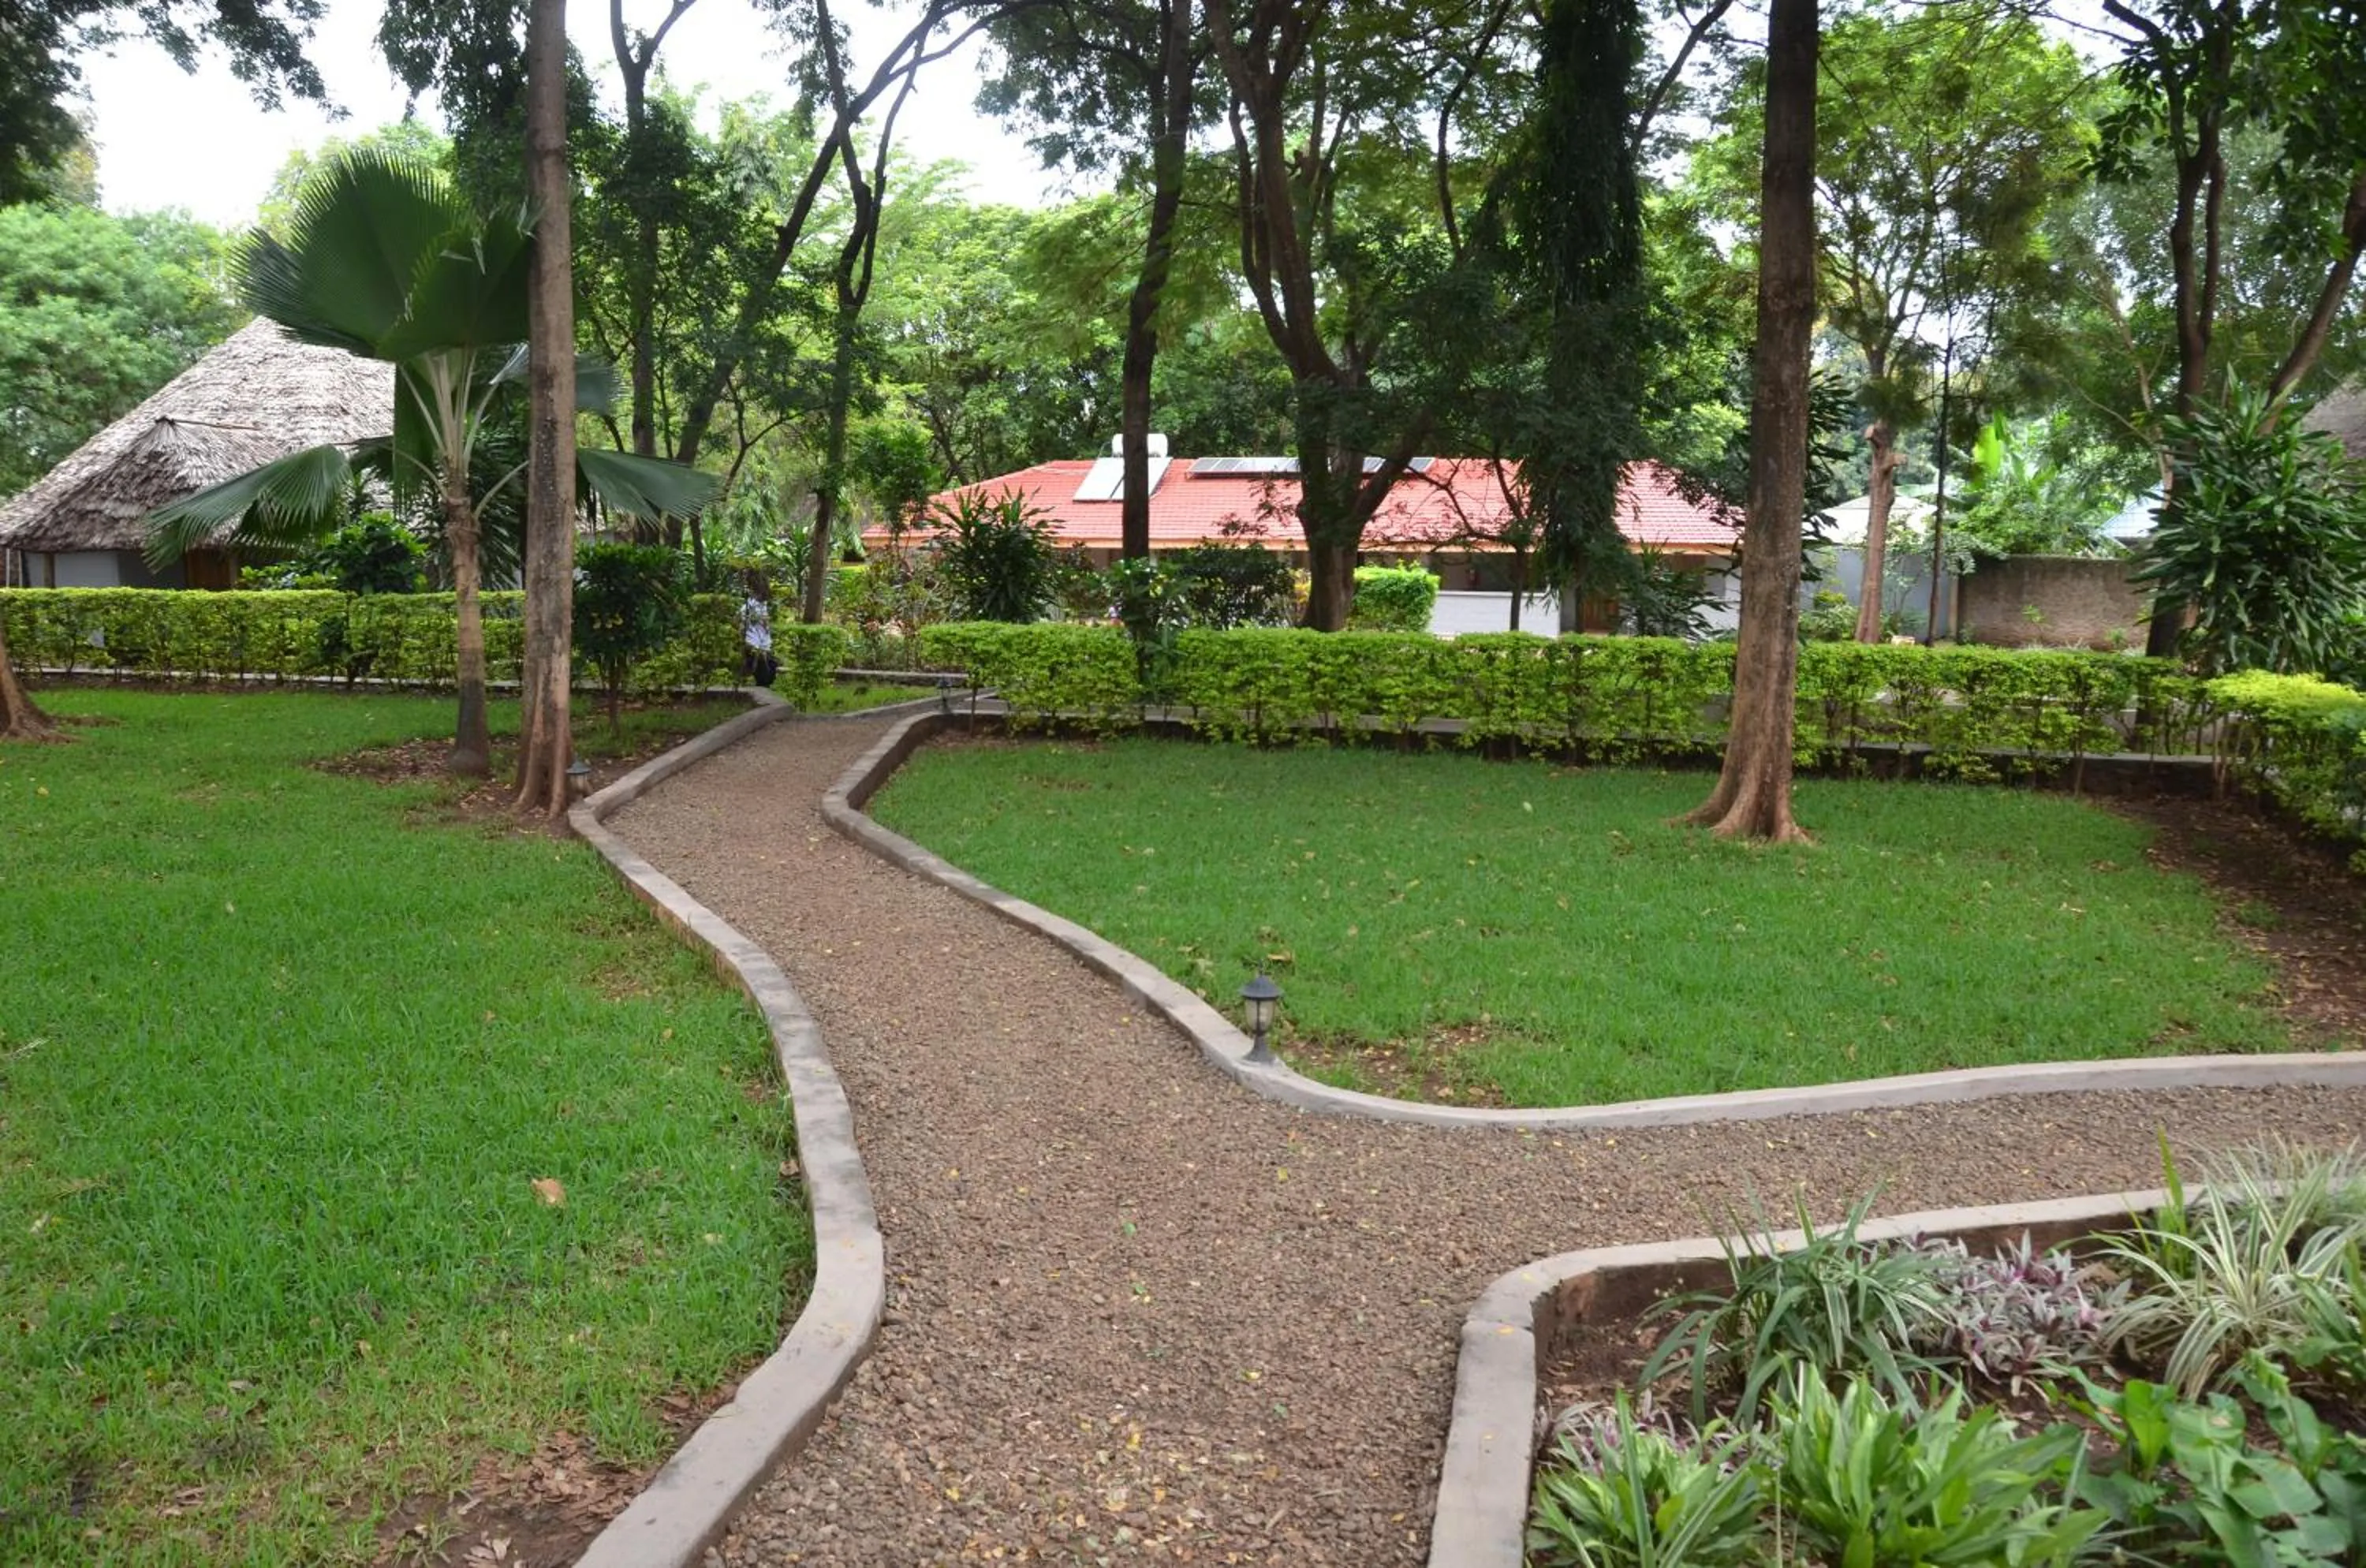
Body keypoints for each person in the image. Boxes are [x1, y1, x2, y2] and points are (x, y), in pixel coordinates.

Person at [741, 571, 778, 687]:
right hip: (756, 637)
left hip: (757, 637)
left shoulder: (757, 603)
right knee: (761, 663)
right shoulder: (754, 603)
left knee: (762, 663)